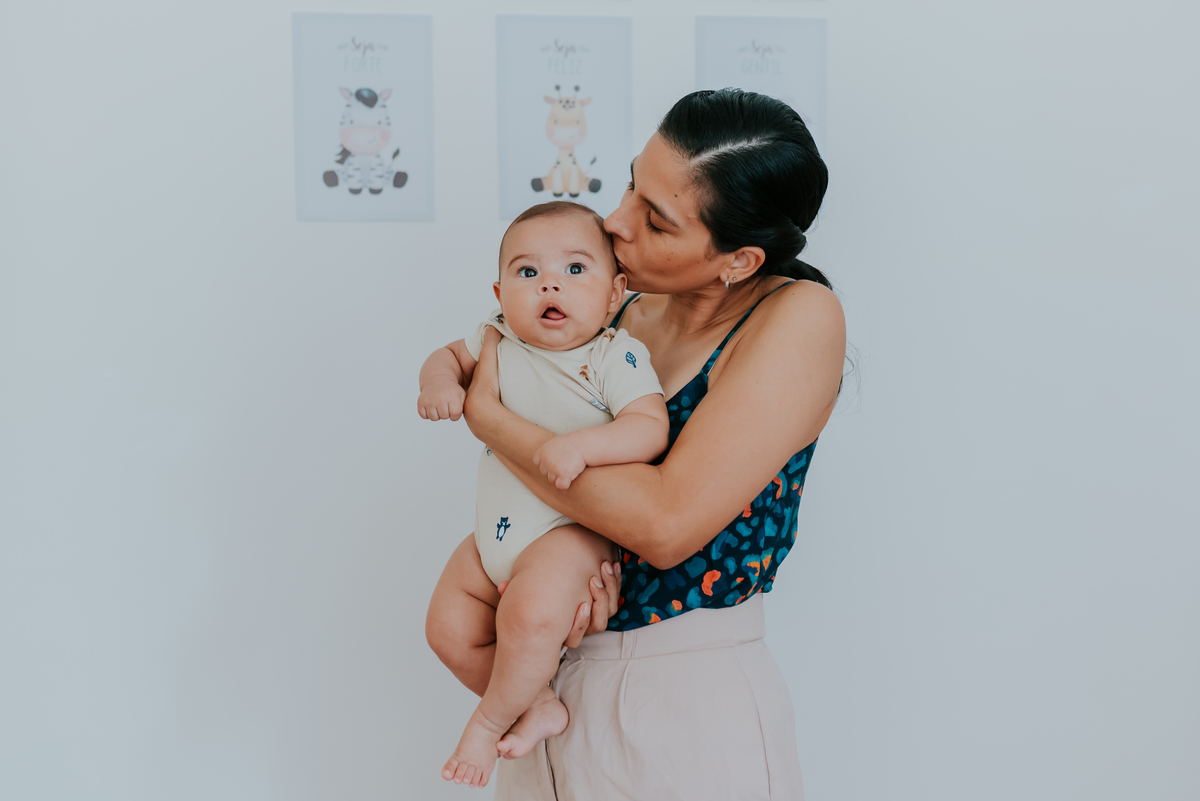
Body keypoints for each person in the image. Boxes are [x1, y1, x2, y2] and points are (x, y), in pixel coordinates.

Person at [460, 88, 846, 800]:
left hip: (679, 703)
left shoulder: (796, 316)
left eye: (657, 222)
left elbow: (664, 524)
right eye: (632, 183)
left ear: (737, 259)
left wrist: (492, 421)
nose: (614, 223)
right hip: (546, 681)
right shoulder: (615, 306)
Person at [418, 201, 669, 789]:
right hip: (496, 532)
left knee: (529, 616)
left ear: (614, 293)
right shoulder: (497, 337)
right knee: (448, 627)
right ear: (501, 292)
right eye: (528, 273)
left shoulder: (614, 354)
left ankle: (487, 723)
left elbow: (649, 426)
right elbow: (446, 357)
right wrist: (437, 381)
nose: (551, 283)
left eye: (576, 270)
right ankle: (534, 705)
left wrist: (584, 446)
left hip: (567, 532)